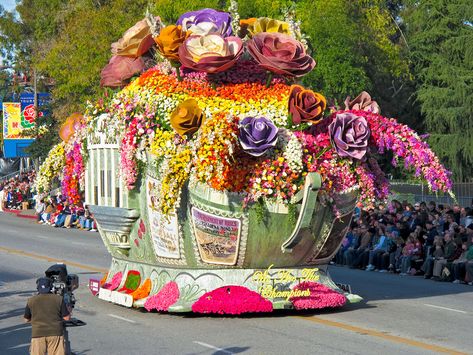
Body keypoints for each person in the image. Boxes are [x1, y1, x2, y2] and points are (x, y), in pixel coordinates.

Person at [24, 277, 71, 355]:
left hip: (38, 334)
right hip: (55, 333)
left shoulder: (31, 300)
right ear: (51, 287)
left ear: (38, 288)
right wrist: (68, 310)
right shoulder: (59, 299)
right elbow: (67, 318)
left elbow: (26, 319)